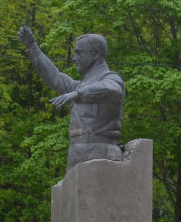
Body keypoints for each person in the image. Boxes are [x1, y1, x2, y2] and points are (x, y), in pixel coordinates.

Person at [18, 25, 125, 170]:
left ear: (95, 54)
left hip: (101, 154)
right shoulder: (79, 86)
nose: (74, 58)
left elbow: (112, 90)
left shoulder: (111, 78)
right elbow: (55, 77)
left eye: (79, 53)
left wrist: (78, 94)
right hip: (76, 153)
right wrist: (32, 46)